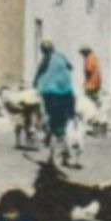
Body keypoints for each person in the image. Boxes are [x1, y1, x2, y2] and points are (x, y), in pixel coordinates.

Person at [34, 39, 77, 167]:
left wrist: (35, 82)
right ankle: (62, 153)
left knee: (54, 125)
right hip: (67, 93)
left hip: (52, 94)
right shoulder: (61, 56)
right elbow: (71, 67)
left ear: (44, 50)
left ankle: (57, 155)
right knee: (63, 124)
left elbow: (39, 72)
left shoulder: (46, 58)